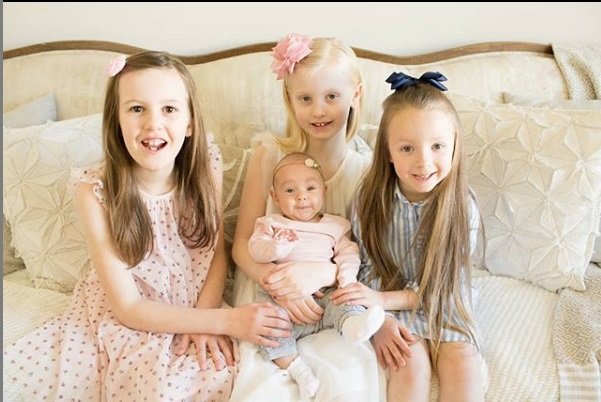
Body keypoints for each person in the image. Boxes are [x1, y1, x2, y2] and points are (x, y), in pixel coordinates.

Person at [3, 51, 291, 401]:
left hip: (200, 300)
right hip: (132, 314)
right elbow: (128, 308)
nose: (153, 124)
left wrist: (206, 317)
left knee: (232, 373)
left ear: (190, 123)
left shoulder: (206, 167)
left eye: (169, 109)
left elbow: (216, 254)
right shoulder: (93, 190)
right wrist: (225, 322)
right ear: (116, 121)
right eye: (137, 108)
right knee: (159, 386)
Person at [332, 71, 486, 401]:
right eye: (407, 148)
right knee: (408, 365)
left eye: (438, 146)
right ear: (388, 152)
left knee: (463, 362)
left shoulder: (462, 207)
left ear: (455, 147)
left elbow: (442, 287)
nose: (423, 162)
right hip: (387, 301)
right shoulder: (368, 200)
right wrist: (378, 320)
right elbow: (364, 269)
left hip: (445, 303)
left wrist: (381, 301)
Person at [249, 152, 385, 399]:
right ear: (275, 196)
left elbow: (349, 253)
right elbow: (255, 250)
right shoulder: (272, 224)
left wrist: (346, 281)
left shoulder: (335, 225)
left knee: (345, 301)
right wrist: (277, 246)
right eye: (290, 190)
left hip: (325, 297)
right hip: (284, 301)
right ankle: (298, 370)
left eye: (310, 188)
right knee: (268, 326)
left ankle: (353, 326)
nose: (301, 196)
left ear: (324, 190)